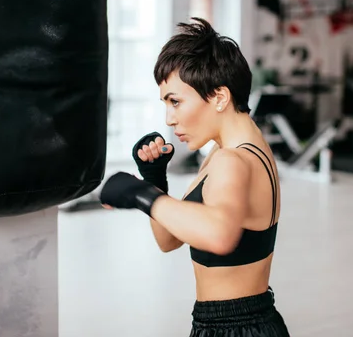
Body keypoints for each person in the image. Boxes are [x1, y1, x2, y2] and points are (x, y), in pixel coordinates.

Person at [99, 18, 290, 337]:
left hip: (234, 328)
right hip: (243, 321)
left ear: (219, 97)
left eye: (175, 101)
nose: (169, 119)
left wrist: (137, 193)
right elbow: (169, 240)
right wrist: (153, 181)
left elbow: (219, 235)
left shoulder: (232, 160)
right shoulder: (236, 151)